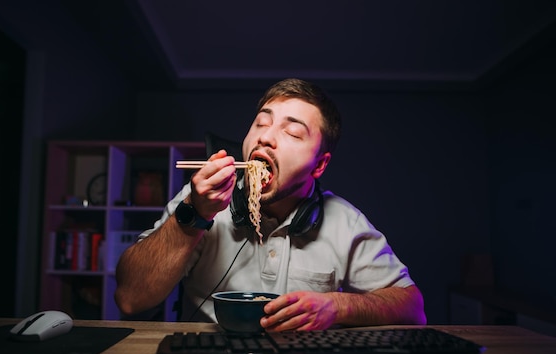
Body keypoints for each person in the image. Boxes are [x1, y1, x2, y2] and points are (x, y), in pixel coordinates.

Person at [115, 78, 427, 331]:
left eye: (292, 132)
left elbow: (412, 308)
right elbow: (130, 299)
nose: (266, 138)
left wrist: (338, 306)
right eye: (262, 124)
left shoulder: (346, 222)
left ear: (319, 165)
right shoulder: (200, 199)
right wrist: (194, 214)